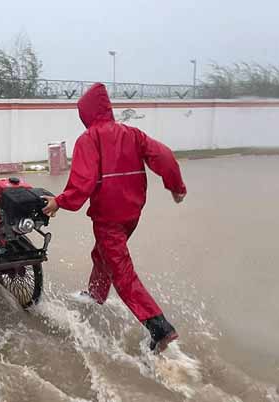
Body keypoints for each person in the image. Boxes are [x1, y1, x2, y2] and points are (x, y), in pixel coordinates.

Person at [42, 83, 187, 353]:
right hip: (131, 214)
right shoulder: (133, 133)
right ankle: (96, 295)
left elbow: (82, 183)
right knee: (102, 255)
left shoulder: (89, 139)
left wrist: (58, 202)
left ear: (86, 113)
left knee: (122, 273)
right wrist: (177, 187)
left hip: (108, 217)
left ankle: (160, 328)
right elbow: (164, 157)